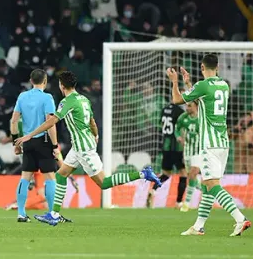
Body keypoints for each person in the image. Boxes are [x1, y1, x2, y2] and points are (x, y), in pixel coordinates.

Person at [15, 71, 161, 226]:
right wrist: (96, 135)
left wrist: (29, 135)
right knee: (61, 175)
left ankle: (143, 173)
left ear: (61, 85)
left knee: (104, 183)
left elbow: (51, 122)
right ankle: (54, 214)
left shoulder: (67, 102)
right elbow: (92, 121)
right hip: (78, 146)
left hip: (83, 148)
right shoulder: (84, 99)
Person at [166, 56, 251, 236]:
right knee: (207, 185)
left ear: (202, 66)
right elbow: (203, 100)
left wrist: (175, 82)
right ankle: (198, 226)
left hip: (209, 144)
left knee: (212, 185)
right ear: (218, 67)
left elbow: (177, 100)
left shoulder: (202, 86)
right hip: (223, 142)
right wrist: (189, 83)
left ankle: (240, 219)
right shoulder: (224, 86)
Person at [10, 69, 59, 223]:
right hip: (43, 140)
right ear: (45, 81)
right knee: (50, 177)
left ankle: (21, 213)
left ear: (31, 81)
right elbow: (50, 122)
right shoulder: (47, 98)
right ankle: (52, 213)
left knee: (25, 177)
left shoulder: (22, 97)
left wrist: (15, 142)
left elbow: (13, 121)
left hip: (27, 141)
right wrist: (55, 145)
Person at [147, 99, 185, 209]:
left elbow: (162, 124)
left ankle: (153, 190)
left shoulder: (164, 110)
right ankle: (178, 202)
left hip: (165, 146)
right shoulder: (179, 112)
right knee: (183, 173)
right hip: (176, 147)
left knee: (166, 173)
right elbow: (180, 128)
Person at [175, 101, 200, 212]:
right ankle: (206, 189)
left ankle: (187, 203)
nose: (187, 107)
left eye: (189, 106)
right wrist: (178, 137)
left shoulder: (202, 119)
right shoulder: (183, 117)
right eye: (186, 105)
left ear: (196, 106)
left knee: (194, 173)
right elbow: (176, 129)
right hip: (187, 151)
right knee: (191, 176)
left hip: (199, 151)